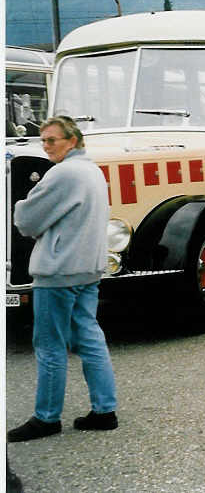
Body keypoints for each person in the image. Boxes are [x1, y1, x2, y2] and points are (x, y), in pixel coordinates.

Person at [8, 116, 118, 442]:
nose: (46, 146)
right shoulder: (93, 171)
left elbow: (27, 220)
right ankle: (104, 410)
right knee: (89, 337)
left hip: (58, 270)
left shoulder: (63, 173)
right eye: (43, 141)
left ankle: (47, 418)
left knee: (49, 344)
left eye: (52, 140)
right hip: (88, 267)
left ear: (72, 140)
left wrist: (19, 207)